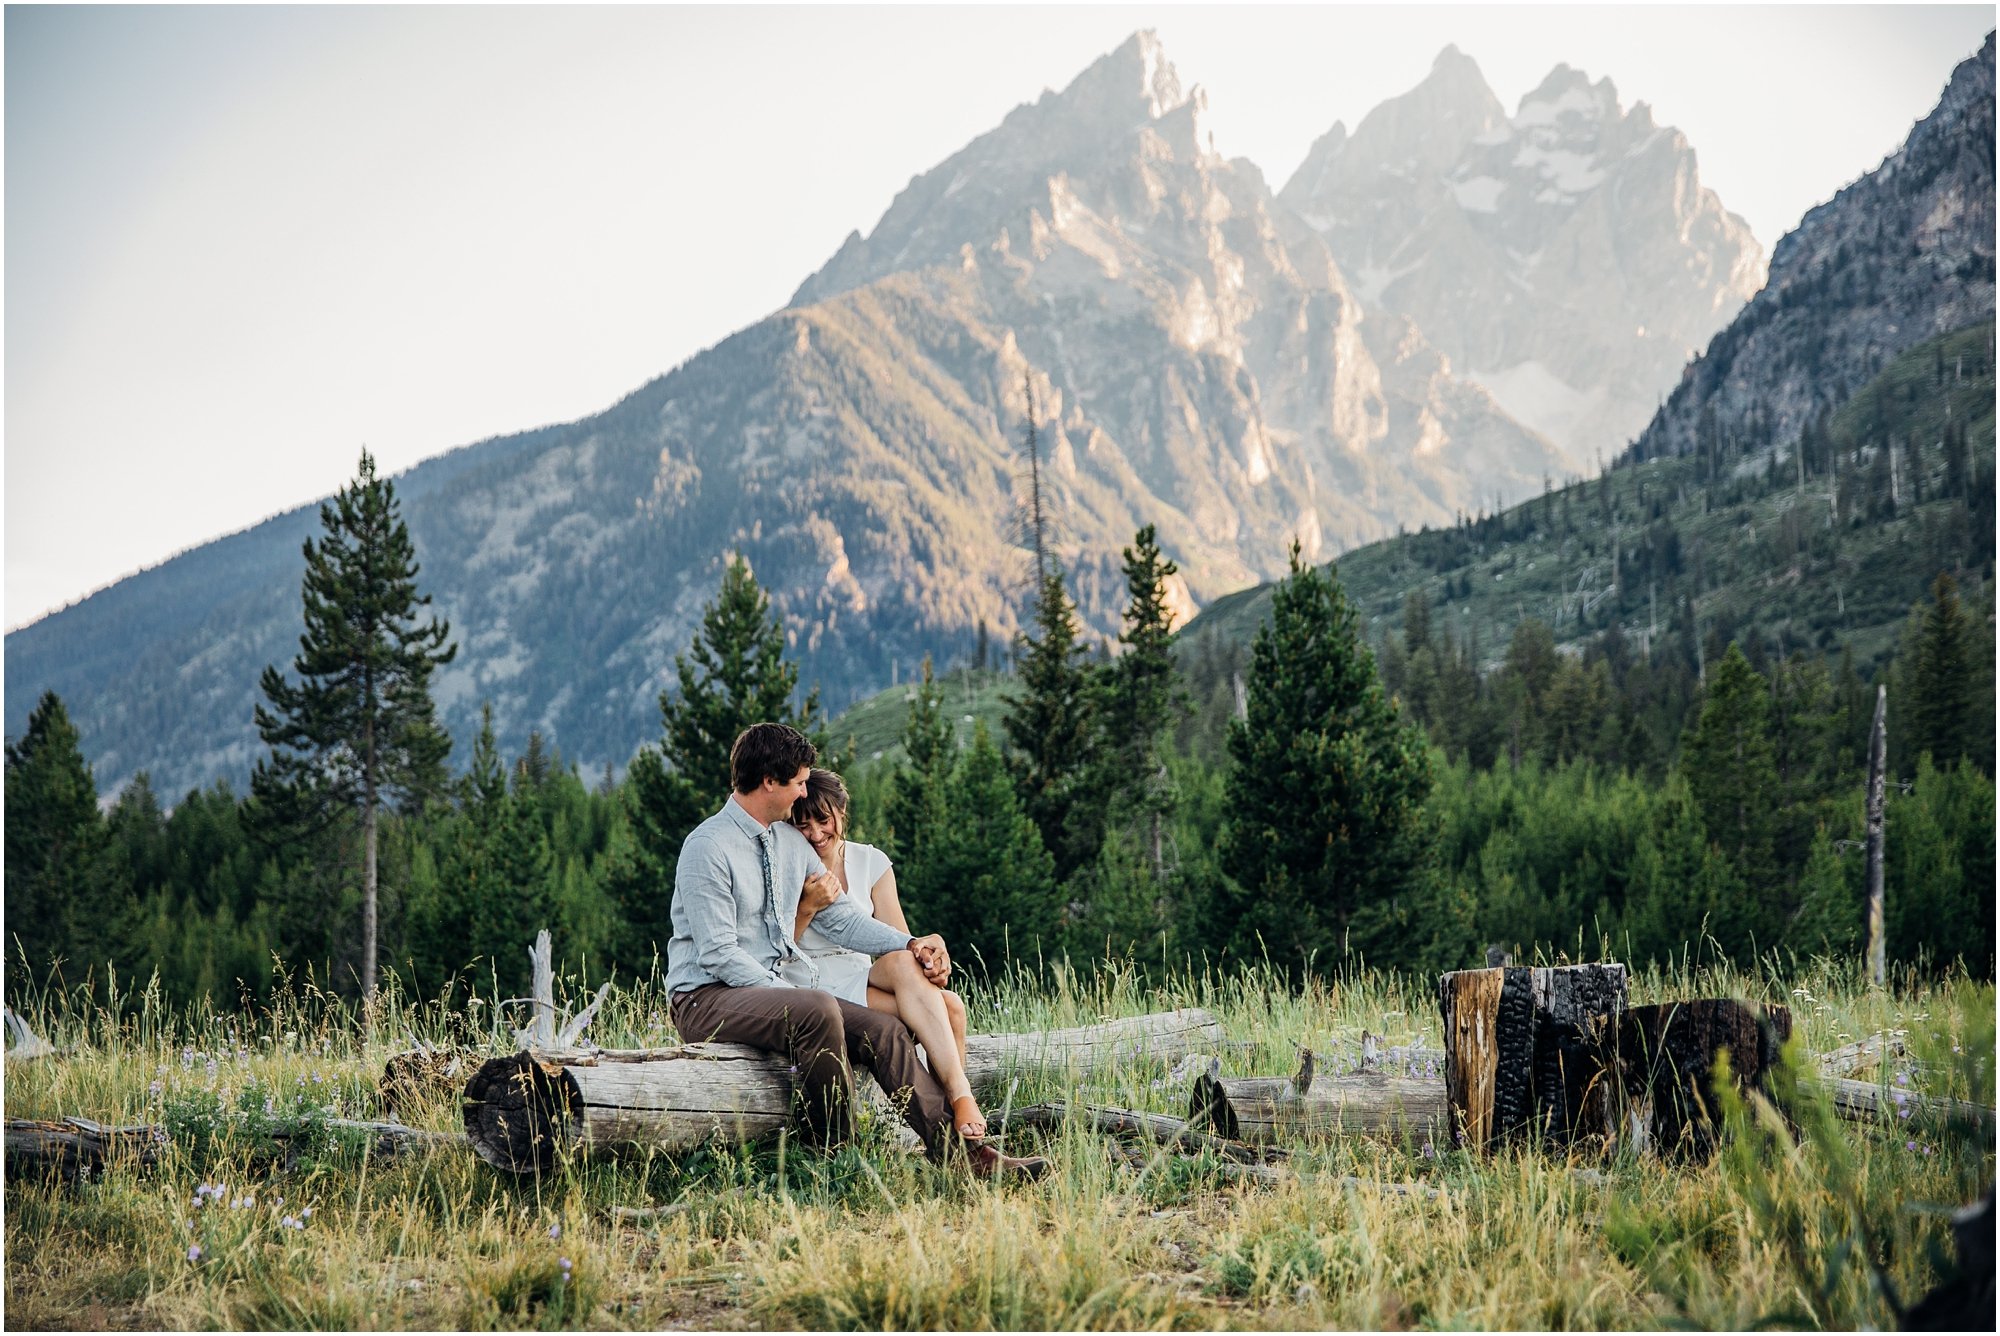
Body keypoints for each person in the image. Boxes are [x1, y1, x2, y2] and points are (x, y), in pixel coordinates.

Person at [666, 722, 1047, 1180]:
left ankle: (960, 1157)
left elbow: (843, 919)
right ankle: (834, 1155)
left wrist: (907, 943)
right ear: (770, 781)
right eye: (800, 781)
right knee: (818, 1009)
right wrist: (787, 990)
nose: (805, 790)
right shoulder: (707, 847)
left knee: (886, 1030)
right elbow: (718, 954)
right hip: (704, 998)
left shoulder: (788, 842)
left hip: (770, 996)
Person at [786, 768, 984, 1139]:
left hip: (861, 976)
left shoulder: (871, 861)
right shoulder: (790, 865)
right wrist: (807, 908)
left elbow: (897, 940)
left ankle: (957, 1104)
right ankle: (950, 1131)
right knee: (950, 1008)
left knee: (941, 991)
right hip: (811, 983)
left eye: (823, 820)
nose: (815, 834)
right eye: (802, 825)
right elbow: (778, 949)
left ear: (842, 812)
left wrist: (930, 952)